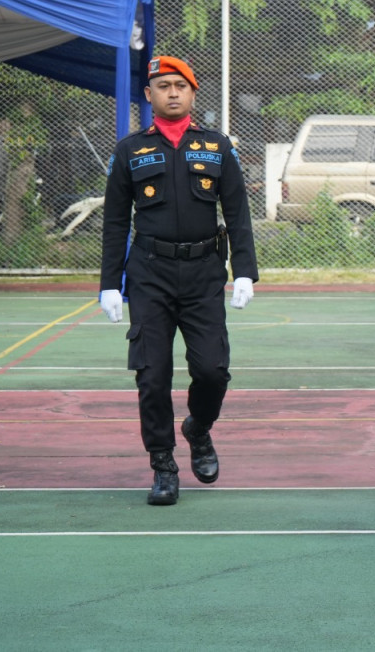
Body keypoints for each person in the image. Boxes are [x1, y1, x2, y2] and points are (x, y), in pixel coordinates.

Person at [99, 55, 258, 507]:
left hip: (204, 272)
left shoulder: (217, 146)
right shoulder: (130, 150)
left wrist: (244, 270)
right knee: (152, 376)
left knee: (212, 369)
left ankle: (198, 428)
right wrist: (111, 282)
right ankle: (163, 465)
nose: (171, 92)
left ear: (193, 93)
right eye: (162, 85)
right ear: (148, 95)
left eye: (180, 85)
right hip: (149, 274)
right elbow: (114, 223)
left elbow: (237, 212)